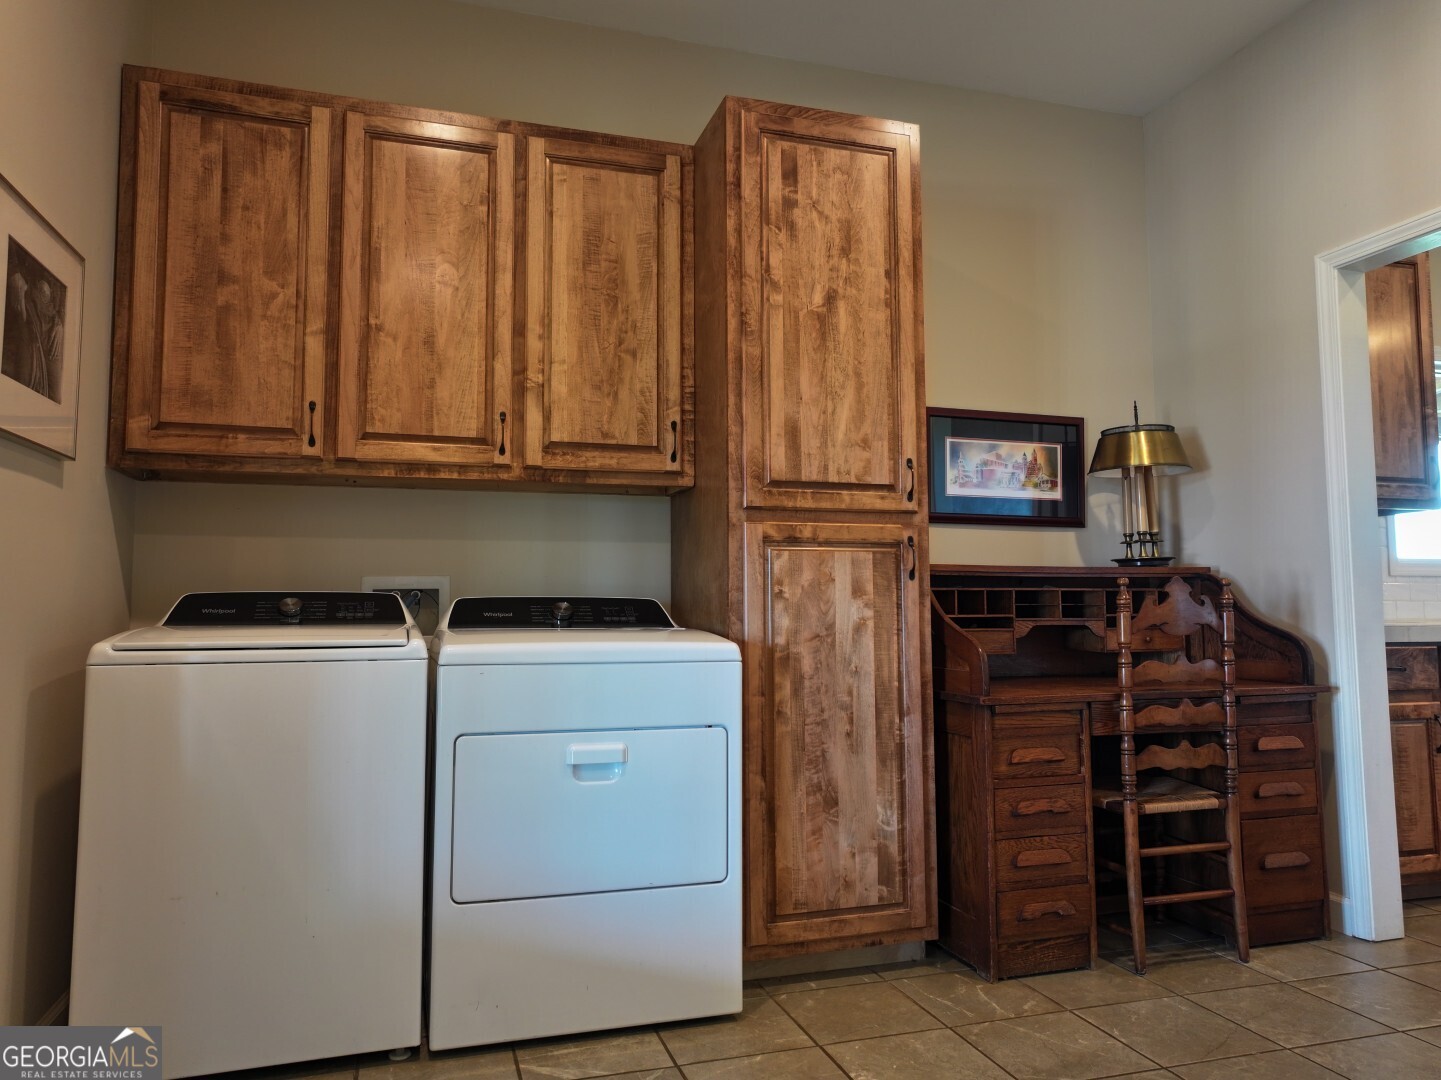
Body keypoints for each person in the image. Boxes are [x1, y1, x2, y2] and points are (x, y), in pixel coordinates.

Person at [3, 268, 63, 401]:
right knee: (24, 383)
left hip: (53, 322)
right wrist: (14, 275)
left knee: (56, 397)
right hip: (26, 305)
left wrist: (60, 323)